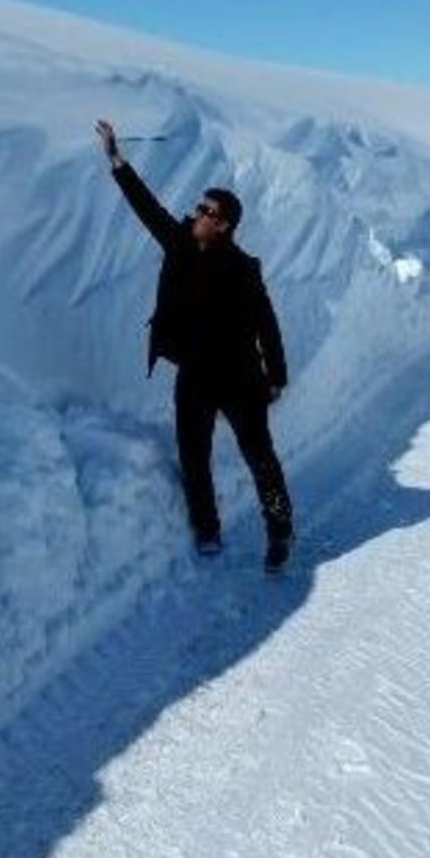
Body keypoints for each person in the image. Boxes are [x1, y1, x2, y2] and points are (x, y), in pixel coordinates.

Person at [95, 118, 295, 571]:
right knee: (193, 455)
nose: (197, 213)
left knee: (260, 457)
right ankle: (207, 528)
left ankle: (280, 528)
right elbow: (147, 208)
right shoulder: (180, 245)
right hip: (196, 375)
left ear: (222, 225)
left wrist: (276, 376)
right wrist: (117, 160)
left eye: (206, 211)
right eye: (199, 207)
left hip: (241, 378)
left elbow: (267, 325)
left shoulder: (243, 269)